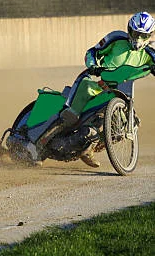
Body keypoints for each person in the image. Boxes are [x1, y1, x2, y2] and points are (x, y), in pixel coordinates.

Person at [60, 11, 155, 167]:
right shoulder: (116, 38)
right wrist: (93, 66)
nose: (138, 39)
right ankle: (68, 117)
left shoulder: (149, 54)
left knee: (128, 126)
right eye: (135, 33)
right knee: (82, 93)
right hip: (99, 84)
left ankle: (89, 148)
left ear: (149, 36)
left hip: (122, 92)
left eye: (143, 35)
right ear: (129, 29)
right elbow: (92, 52)